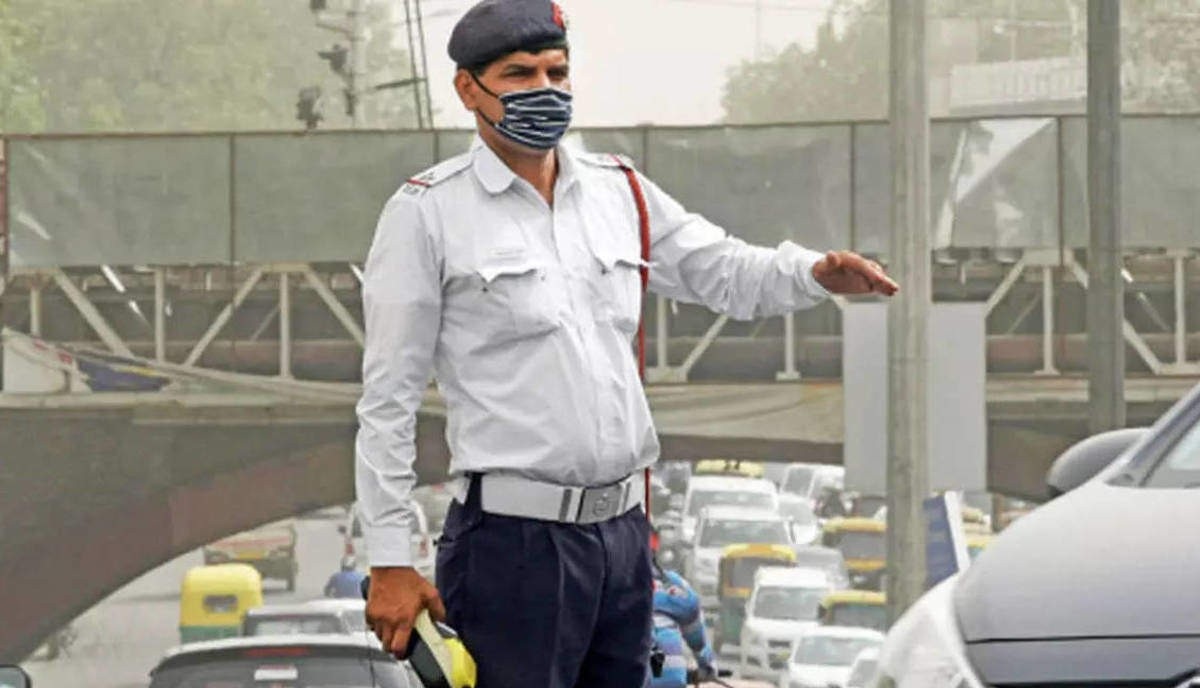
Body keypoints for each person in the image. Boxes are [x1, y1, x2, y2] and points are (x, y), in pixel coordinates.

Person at [356, 1, 899, 685]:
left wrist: (813, 273)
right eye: (519, 74)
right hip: (515, 549)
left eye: (557, 71)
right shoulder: (428, 213)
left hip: (621, 541)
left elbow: (723, 271)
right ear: (469, 89)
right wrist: (389, 560)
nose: (545, 89)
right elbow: (387, 403)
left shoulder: (621, 194)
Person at [650, 532, 717, 688]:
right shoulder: (675, 585)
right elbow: (698, 642)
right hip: (671, 679)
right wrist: (707, 666)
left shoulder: (606, 587)